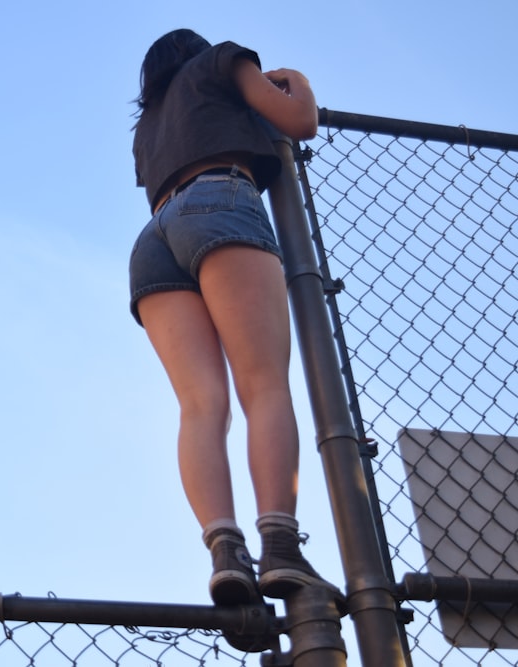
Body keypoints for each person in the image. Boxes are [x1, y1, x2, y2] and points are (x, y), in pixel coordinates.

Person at [128, 29, 342, 607]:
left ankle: (226, 553)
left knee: (201, 407)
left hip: (154, 237)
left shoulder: (148, 129)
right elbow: (299, 121)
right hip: (220, 200)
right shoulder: (222, 62)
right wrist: (294, 79)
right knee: (264, 383)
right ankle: (280, 548)